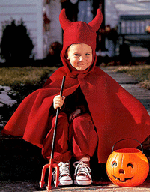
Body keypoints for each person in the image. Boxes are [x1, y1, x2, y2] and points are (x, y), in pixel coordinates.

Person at [1, 9, 150, 187]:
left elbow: (116, 100)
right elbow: (43, 96)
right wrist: (53, 102)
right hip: (62, 117)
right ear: (66, 55)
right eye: (76, 55)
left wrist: (140, 118)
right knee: (59, 121)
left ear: (93, 54)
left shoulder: (99, 78)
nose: (82, 59)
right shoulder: (59, 77)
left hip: (84, 120)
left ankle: (83, 163)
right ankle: (61, 162)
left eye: (87, 54)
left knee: (82, 122)